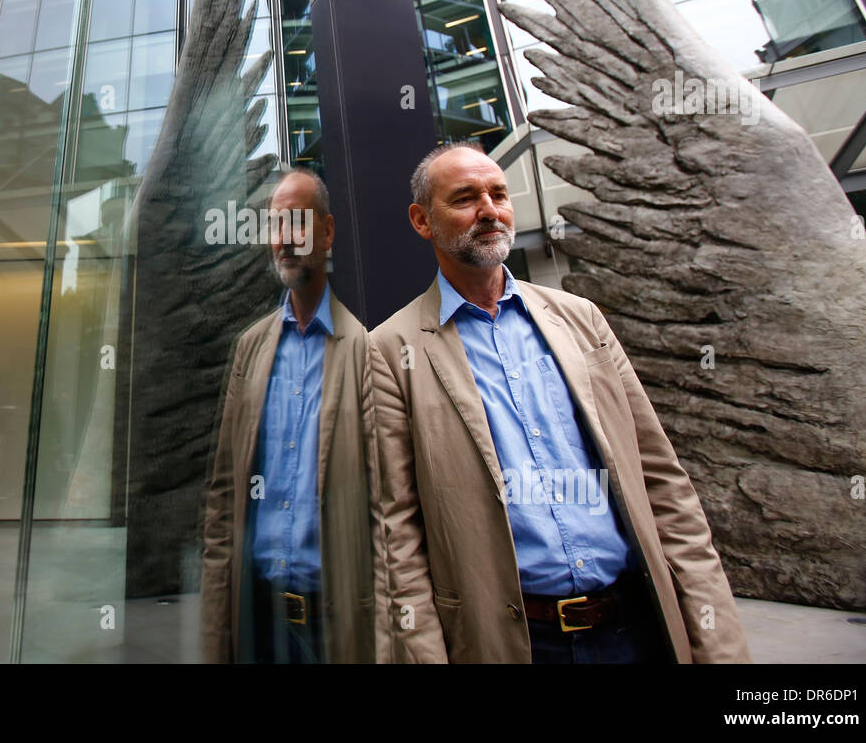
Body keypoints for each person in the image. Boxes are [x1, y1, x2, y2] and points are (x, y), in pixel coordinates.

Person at [370, 143, 750, 663]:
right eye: (464, 198)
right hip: (518, 643)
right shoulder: (390, 352)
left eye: (498, 194)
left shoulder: (582, 319)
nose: (489, 210)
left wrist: (717, 639)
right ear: (421, 220)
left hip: (636, 627)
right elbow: (398, 534)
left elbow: (662, 482)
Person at [201, 168, 385, 663]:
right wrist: (218, 628)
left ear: (327, 233)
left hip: (336, 626)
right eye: (275, 225)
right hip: (258, 621)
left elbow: (391, 506)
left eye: (298, 223)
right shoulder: (251, 348)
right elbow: (223, 494)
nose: (284, 240)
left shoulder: (370, 349)